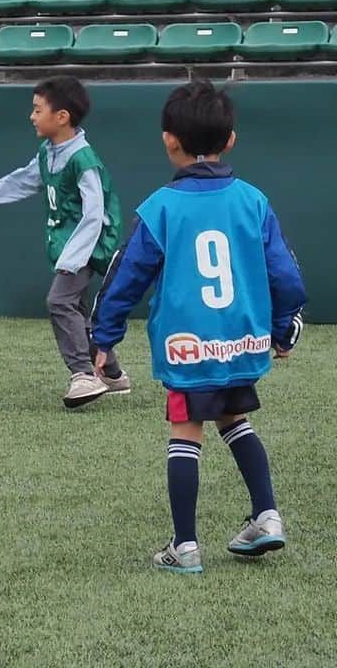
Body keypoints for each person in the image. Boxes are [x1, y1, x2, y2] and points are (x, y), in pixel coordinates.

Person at [92, 82, 305, 574]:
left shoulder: (161, 207)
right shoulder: (253, 200)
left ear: (169, 140)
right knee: (235, 420)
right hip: (241, 341)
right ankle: (267, 517)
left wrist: (104, 338)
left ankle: (184, 546)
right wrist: (283, 326)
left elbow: (126, 276)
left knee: (186, 431)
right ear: (230, 139)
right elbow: (285, 272)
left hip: (189, 345)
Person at [0, 76, 127, 409]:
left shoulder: (83, 159)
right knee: (78, 314)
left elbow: (95, 214)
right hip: (66, 245)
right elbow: (28, 178)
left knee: (59, 301)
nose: (32, 116)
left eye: (37, 109)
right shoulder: (49, 152)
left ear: (62, 117)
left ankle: (83, 375)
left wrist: (74, 258)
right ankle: (113, 373)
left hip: (87, 245)